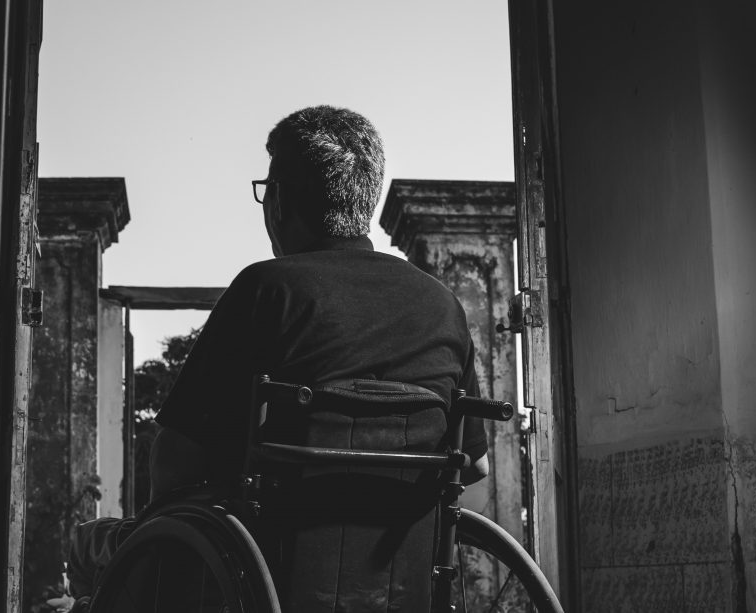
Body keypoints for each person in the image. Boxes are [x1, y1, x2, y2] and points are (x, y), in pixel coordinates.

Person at [63, 105, 488, 608]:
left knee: (88, 541)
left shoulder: (267, 289)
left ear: (279, 200)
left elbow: (172, 463)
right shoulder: (442, 305)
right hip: (397, 570)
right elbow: (474, 466)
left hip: (259, 566)